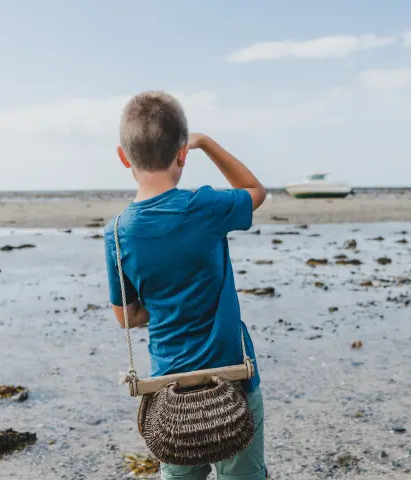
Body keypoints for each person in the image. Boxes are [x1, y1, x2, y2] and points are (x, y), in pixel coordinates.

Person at [103, 91, 267, 480]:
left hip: (168, 387)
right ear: (182, 154)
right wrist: (206, 142)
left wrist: (163, 305)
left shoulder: (118, 232)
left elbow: (126, 317)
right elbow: (255, 192)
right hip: (234, 379)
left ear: (124, 157)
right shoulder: (205, 206)